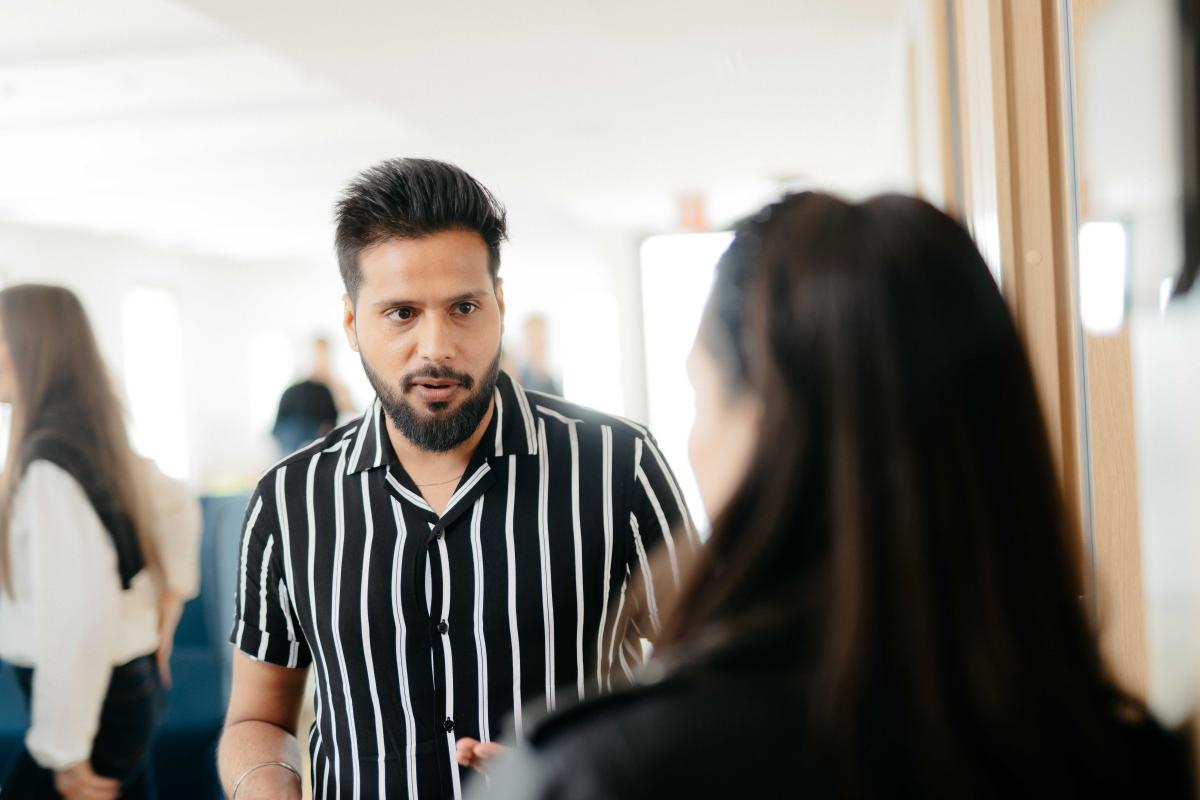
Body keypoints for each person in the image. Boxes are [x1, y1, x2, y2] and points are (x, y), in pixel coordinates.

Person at [477, 193, 1195, 798]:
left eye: (700, 396)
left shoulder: (597, 773)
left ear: (769, 432)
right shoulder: (1132, 761)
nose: (693, 442)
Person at [218, 158, 695, 799]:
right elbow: (258, 716)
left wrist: (589, 765)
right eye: (401, 313)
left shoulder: (618, 465)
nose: (436, 346)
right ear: (354, 324)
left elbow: (714, 688)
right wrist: (266, 787)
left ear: (499, 305)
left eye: (464, 307)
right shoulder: (289, 499)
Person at [0, 284, 201, 800]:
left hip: (95, 703)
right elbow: (176, 500)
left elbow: (74, 621)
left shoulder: (50, 463)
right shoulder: (86, 436)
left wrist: (63, 751)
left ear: (28, 346)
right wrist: (168, 597)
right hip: (124, 689)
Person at [271, 338, 355, 456]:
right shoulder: (296, 388)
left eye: (324, 356)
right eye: (317, 355)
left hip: (323, 434)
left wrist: (331, 382)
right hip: (292, 432)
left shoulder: (336, 387)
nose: (320, 360)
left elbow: (351, 411)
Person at [516, 315, 561, 396]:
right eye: (536, 336)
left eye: (543, 335)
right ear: (527, 340)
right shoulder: (518, 379)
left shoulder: (551, 382)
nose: (541, 341)